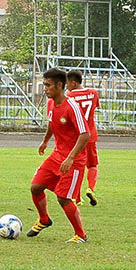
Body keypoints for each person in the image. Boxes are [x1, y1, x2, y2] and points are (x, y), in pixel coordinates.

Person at [27, 68, 91, 243]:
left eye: (48, 85)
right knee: (36, 187)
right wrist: (46, 140)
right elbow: (51, 122)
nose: (45, 89)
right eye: (44, 85)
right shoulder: (50, 103)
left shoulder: (71, 107)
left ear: (59, 85)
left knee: (63, 198)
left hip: (74, 160)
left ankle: (81, 235)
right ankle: (44, 219)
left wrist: (70, 158)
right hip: (56, 156)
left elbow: (85, 134)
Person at [65, 70, 99, 206]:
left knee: (76, 167)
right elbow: (94, 108)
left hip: (76, 137)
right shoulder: (93, 93)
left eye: (67, 83)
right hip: (90, 135)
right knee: (92, 165)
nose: (65, 86)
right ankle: (90, 188)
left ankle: (76, 198)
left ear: (73, 83)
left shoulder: (69, 97)